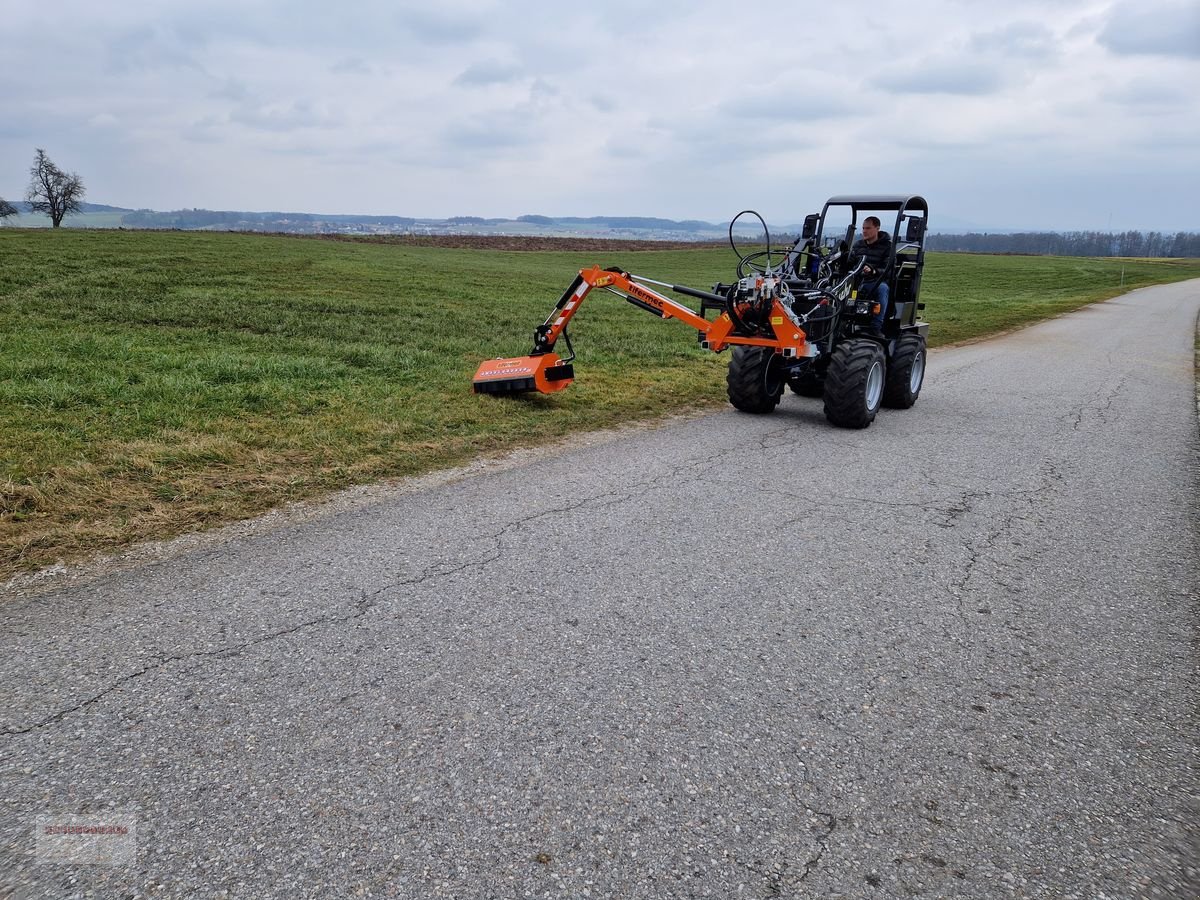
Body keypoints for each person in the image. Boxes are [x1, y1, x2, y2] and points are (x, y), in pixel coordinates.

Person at [850, 216, 892, 335]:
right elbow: (850, 263)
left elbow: (888, 270)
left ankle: (876, 327)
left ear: (877, 228)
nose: (864, 231)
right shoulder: (858, 245)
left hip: (875, 281)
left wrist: (873, 271)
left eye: (868, 228)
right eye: (863, 228)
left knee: (882, 289)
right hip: (857, 281)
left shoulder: (887, 247)